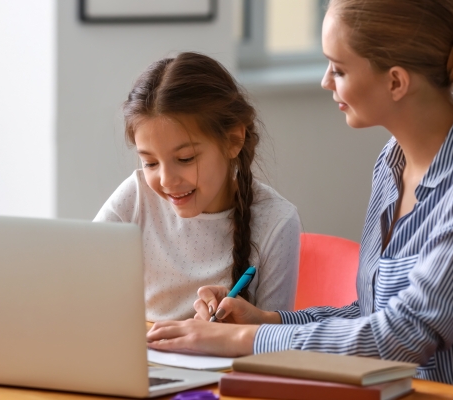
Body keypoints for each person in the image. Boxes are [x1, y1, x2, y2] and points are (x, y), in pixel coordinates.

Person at [146, 1, 453, 398]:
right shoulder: (392, 163)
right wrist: (269, 320)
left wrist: (241, 338)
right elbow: (374, 314)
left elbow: (403, 335)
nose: (325, 80)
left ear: (395, 81)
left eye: (339, 68)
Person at [94, 52, 300, 322]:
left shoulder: (276, 222)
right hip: (140, 359)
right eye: (150, 162)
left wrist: (227, 334)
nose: (167, 180)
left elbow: (273, 340)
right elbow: (80, 281)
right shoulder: (136, 196)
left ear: (233, 140)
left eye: (185, 159)